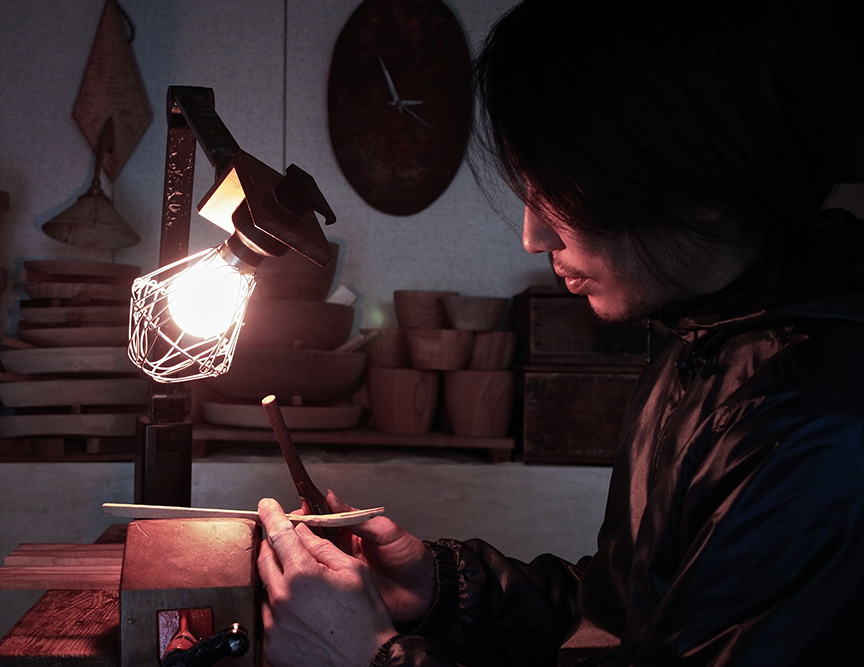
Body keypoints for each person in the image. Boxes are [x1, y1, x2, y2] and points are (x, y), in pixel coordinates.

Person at [256, 1, 864, 664]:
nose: (532, 235)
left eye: (562, 188)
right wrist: (440, 588)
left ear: (702, 176)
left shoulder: (811, 420)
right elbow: (619, 623)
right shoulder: (705, 338)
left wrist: (369, 655)